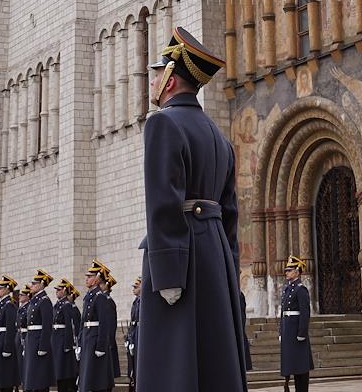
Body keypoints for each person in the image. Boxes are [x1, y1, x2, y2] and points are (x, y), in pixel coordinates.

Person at [137, 27, 248, 392]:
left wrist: (168, 275)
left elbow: (163, 203)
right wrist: (230, 268)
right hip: (214, 255)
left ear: (170, 80)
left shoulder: (162, 123)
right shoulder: (219, 137)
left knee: (174, 363)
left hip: (180, 257)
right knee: (214, 362)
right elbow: (230, 215)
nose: (153, 80)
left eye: (157, 73)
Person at [78, 262, 114, 392]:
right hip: (87, 338)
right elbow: (83, 322)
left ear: (97, 279)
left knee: (96, 377)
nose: (86, 279)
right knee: (87, 377)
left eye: (90, 276)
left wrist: (101, 346)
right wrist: (80, 342)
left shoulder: (100, 297)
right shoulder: (88, 297)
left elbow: (104, 324)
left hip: (94, 339)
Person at [278, 257, 312, 392]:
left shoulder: (301, 289)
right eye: (286, 270)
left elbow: (305, 313)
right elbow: (283, 312)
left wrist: (302, 333)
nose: (286, 273)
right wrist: (281, 331)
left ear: (297, 271)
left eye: (289, 270)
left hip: (296, 332)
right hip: (288, 331)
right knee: (290, 364)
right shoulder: (287, 289)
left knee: (300, 365)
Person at [22, 271, 54, 392]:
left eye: (34, 283)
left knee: (39, 375)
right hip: (31, 340)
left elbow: (47, 325)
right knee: (31, 375)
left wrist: (43, 346)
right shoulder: (35, 300)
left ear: (41, 284)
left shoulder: (44, 301)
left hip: (38, 341)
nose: (32, 285)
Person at [0, 276, 20, 392]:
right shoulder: (0, 305)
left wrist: (7, 347)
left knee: (4, 374)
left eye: (0, 288)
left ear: (7, 289)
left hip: (4, 340)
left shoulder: (9, 305)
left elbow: (10, 328)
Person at [50, 280, 80, 392]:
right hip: (56, 339)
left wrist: (68, 344)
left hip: (63, 340)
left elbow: (69, 325)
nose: (56, 292)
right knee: (58, 369)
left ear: (64, 291)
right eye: (56, 290)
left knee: (63, 370)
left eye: (59, 290)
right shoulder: (57, 305)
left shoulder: (67, 305)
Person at [124, 279, 140, 392]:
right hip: (134, 335)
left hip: (139, 335)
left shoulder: (142, 301)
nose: (133, 289)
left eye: (136, 287)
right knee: (132, 365)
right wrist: (129, 338)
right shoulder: (136, 302)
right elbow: (132, 322)